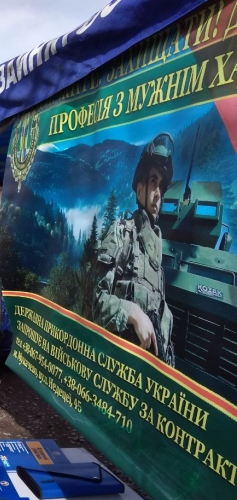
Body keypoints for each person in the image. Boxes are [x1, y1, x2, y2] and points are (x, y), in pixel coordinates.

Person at [93, 133, 175, 366]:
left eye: (162, 186)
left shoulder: (156, 261)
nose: (158, 193)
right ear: (139, 190)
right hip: (116, 369)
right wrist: (132, 312)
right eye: (153, 182)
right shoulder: (122, 233)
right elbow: (96, 304)